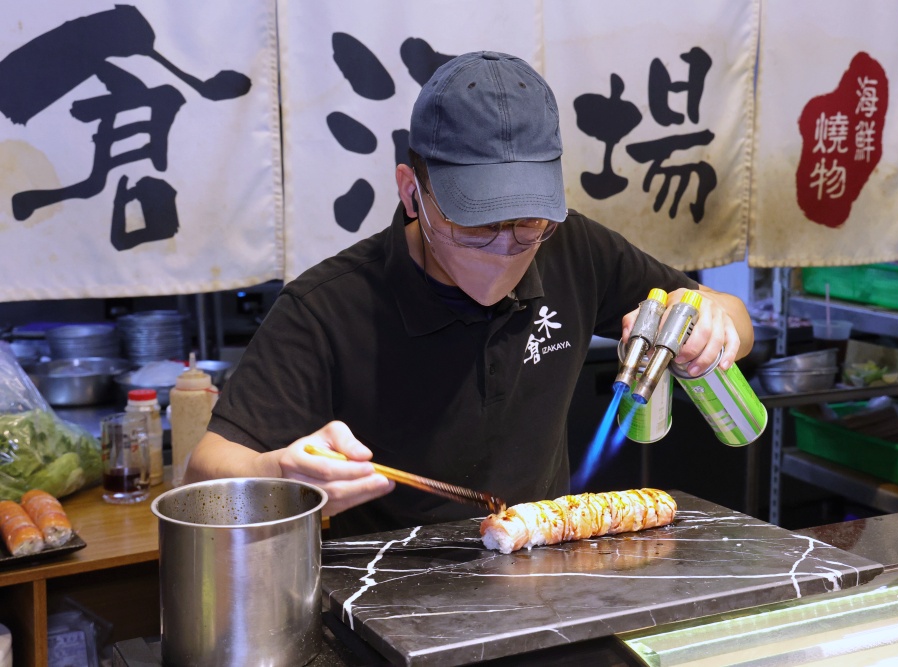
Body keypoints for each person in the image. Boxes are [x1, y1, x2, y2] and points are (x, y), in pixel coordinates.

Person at [186, 51, 753, 537]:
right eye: (475, 224)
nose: (505, 248)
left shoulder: (574, 248)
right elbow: (205, 471)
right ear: (413, 193)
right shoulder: (328, 306)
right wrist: (282, 475)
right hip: (388, 596)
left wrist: (708, 325)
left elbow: (733, 318)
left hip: (539, 570)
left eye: (528, 222)